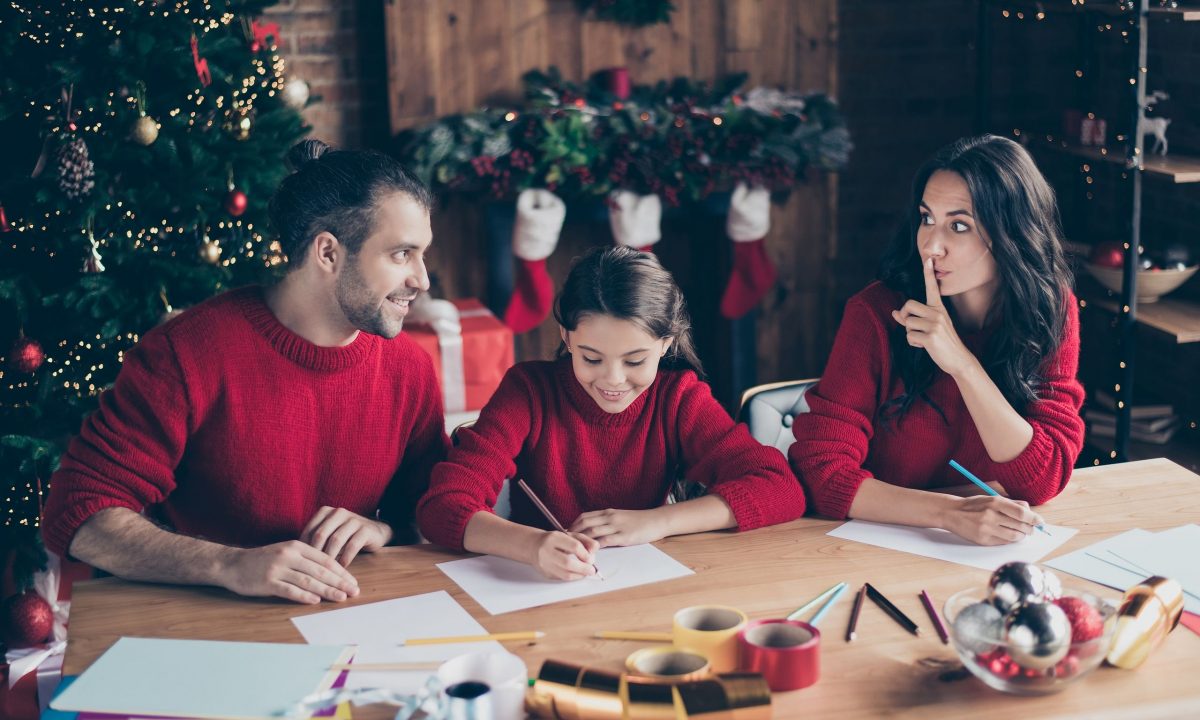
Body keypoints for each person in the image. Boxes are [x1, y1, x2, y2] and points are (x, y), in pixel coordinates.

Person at [41, 139, 449, 603]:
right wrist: (228, 564)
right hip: (201, 625)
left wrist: (382, 528)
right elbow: (76, 512)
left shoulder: (409, 369)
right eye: (401, 254)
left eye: (422, 254)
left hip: (344, 620)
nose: (422, 278)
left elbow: (433, 511)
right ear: (329, 253)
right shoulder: (185, 353)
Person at [417, 246, 806, 580]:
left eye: (635, 360)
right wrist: (533, 544)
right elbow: (443, 506)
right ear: (567, 338)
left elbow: (779, 487)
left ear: (664, 345)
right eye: (591, 358)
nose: (613, 380)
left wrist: (657, 521)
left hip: (645, 584)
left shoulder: (677, 398)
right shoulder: (528, 392)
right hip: (540, 587)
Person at [789, 135, 1085, 545]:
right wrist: (951, 514)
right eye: (927, 218)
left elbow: (1042, 480)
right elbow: (821, 472)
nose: (931, 245)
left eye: (958, 225)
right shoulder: (876, 314)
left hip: (985, 549)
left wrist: (962, 365)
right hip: (875, 542)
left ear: (1010, 234)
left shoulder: (1051, 311)